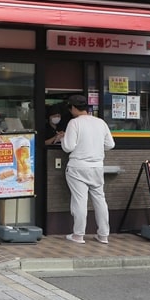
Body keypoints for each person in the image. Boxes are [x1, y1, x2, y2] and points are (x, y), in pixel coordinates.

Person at [61, 95, 115, 244]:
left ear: (73, 108)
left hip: (78, 167)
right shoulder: (100, 122)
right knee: (100, 200)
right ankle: (103, 235)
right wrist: (95, 147)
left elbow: (68, 147)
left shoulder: (74, 123)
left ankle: (78, 235)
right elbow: (110, 144)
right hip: (97, 167)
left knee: (80, 201)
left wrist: (62, 139)